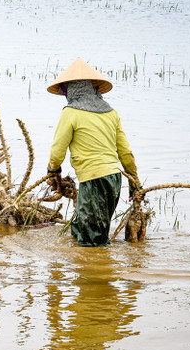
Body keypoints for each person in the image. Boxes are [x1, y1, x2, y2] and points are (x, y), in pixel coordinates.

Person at [46, 58, 142, 247]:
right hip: (114, 179)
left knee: (93, 240)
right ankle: (89, 268)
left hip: (93, 181)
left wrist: (53, 170)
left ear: (71, 90)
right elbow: (125, 153)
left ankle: (97, 272)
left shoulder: (70, 112)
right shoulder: (111, 113)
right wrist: (134, 182)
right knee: (80, 228)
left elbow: (58, 149)